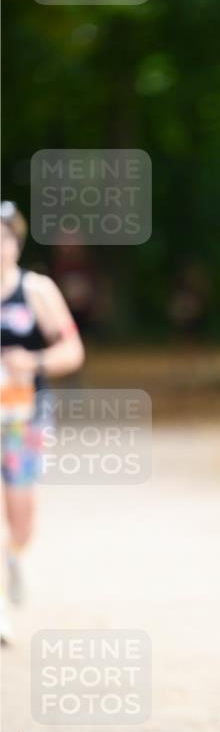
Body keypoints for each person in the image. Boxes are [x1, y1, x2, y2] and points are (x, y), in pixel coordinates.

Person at [0, 202, 85, 644]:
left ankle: (15, 555)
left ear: (15, 243)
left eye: (4, 237)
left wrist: (30, 361)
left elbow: (72, 351)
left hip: (23, 416)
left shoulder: (36, 291)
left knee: (21, 518)